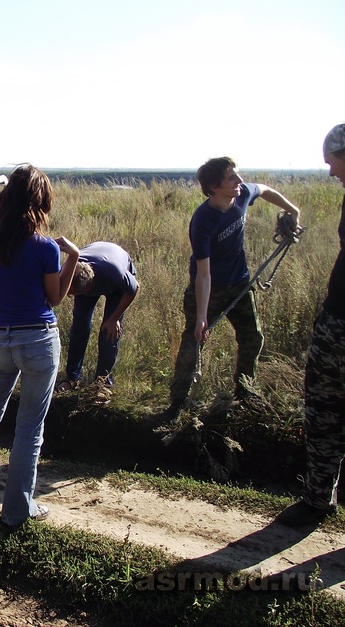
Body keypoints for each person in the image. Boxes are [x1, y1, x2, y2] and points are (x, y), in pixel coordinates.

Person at [0, 164, 80, 526]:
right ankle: (18, 510)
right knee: (29, 429)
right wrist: (73, 257)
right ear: (41, 201)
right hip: (39, 340)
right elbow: (55, 299)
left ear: (7, 197)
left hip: (1, 338)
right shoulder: (44, 248)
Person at [165, 157, 302, 419]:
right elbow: (203, 274)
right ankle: (177, 402)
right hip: (207, 289)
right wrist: (202, 317)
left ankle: (245, 394)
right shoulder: (203, 220)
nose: (239, 181)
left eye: (237, 175)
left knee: (253, 337)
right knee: (194, 342)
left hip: (240, 284)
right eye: (232, 178)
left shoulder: (241, 195)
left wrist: (292, 209)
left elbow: (264, 189)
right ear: (215, 187)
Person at [277, 123, 345, 527]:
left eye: (333, 162)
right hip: (336, 323)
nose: (331, 173)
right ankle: (319, 498)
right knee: (322, 411)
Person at [58, 241, 139, 393]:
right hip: (95, 259)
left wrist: (114, 318)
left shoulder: (115, 273)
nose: (68, 295)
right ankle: (72, 378)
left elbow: (134, 289)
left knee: (109, 332)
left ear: (88, 288)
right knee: (79, 327)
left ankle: (103, 384)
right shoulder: (69, 270)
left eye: (72, 293)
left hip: (116, 279)